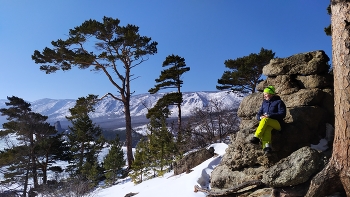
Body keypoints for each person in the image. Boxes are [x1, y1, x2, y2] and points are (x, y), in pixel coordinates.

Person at [250, 86, 286, 154]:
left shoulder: (279, 102)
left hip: (278, 123)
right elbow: (258, 114)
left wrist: (269, 115)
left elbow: (282, 114)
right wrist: (260, 117)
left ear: (271, 94)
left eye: (266, 94)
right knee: (267, 128)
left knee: (265, 120)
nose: (264, 95)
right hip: (267, 123)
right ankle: (267, 147)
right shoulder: (264, 103)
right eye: (264, 94)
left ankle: (256, 137)